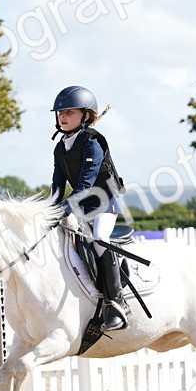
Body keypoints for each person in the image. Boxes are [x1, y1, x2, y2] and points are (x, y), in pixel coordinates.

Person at [49, 85, 127, 332]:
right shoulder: (60, 147)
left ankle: (117, 304)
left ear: (86, 116)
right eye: (60, 112)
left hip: (103, 204)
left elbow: (86, 183)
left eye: (69, 112)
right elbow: (57, 185)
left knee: (99, 240)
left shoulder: (93, 143)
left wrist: (67, 206)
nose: (62, 116)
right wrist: (49, 208)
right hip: (79, 207)